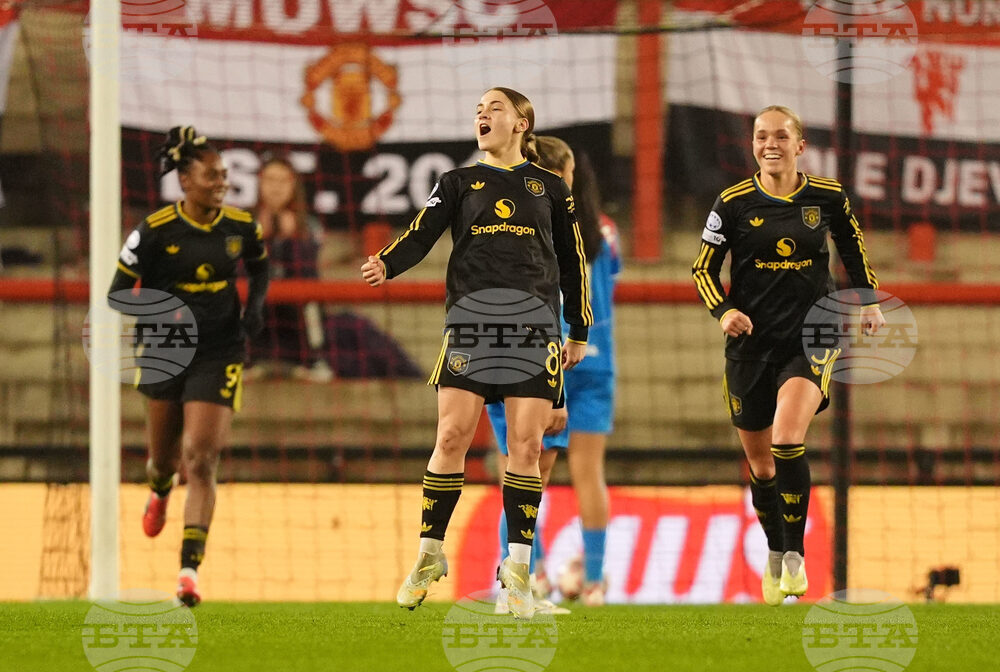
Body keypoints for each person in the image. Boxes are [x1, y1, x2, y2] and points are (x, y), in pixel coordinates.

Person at [361, 87, 592, 619]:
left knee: (527, 449)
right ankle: (428, 555)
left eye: (495, 108)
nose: (482, 115)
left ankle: (516, 574)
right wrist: (387, 264)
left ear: (522, 122)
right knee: (451, 435)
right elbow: (422, 233)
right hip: (471, 322)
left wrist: (578, 328)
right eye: (478, 110)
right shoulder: (459, 183)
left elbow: (573, 260)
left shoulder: (551, 187)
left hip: (535, 327)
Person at [692, 105, 884, 605]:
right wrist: (724, 312)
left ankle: (795, 558)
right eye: (761, 136)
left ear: (801, 145)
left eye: (780, 135)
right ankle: (776, 551)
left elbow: (852, 244)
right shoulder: (732, 203)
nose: (769, 143)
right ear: (752, 145)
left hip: (813, 335)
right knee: (760, 465)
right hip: (750, 344)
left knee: (785, 438)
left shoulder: (827, 196)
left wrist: (866, 298)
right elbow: (702, 270)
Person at [108, 126, 269, 607]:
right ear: (184, 181)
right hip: (163, 351)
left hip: (219, 350)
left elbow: (260, 266)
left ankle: (188, 573)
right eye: (211, 175)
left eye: (224, 174)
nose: (221, 182)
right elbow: (119, 292)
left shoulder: (240, 226)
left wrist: (255, 306)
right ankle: (158, 489)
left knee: (201, 456)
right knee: (165, 460)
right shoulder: (155, 230)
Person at [486, 140, 620, 610]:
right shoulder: (602, 230)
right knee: (588, 473)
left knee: (520, 469)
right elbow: (610, 277)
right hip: (593, 357)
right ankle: (596, 581)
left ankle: (531, 573)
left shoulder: (517, 222)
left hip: (531, 356)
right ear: (571, 171)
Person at [249, 156, 332, 383]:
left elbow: (309, 271)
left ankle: (315, 359)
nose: (276, 187)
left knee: (311, 293)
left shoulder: (310, 225)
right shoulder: (244, 223)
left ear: (293, 185)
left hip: (294, 313)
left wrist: (293, 239)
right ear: (260, 183)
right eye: (270, 180)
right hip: (257, 307)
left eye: (283, 181)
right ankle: (241, 359)